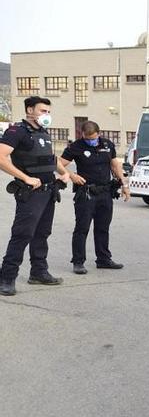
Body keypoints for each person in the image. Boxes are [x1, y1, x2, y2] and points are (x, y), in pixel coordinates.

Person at [0, 96, 69, 296]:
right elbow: (1, 157)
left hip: (48, 191)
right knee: (22, 234)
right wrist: (26, 178)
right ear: (30, 110)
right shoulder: (17, 131)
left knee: (42, 233)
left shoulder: (43, 132)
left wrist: (64, 173)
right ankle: (7, 278)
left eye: (48, 112)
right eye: (42, 111)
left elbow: (50, 157)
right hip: (30, 193)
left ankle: (38, 272)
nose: (46, 115)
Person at [60, 121, 130, 274]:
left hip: (105, 192)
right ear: (82, 135)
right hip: (86, 193)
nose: (89, 140)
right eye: (86, 137)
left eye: (92, 137)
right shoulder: (76, 146)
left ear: (98, 133)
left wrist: (124, 185)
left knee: (103, 228)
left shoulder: (107, 144)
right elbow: (58, 163)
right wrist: (72, 175)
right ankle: (78, 262)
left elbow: (115, 165)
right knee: (82, 228)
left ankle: (103, 259)